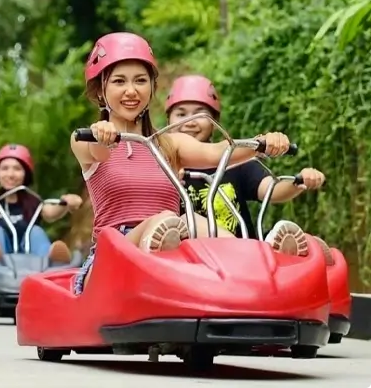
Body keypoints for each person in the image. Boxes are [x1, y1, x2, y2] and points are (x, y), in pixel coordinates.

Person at [71, 33, 299, 295]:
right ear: (101, 90)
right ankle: (160, 240)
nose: (131, 90)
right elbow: (98, 152)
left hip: (173, 239)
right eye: (119, 81)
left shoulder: (169, 144)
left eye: (140, 81)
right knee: (169, 220)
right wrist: (102, 134)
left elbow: (217, 152)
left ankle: (263, 257)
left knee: (194, 222)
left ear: (151, 88)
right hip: (110, 260)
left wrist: (261, 144)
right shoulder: (85, 138)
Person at [164, 74, 324, 252]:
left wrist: (299, 181)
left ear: (215, 122)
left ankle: (290, 248)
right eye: (181, 114)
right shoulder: (160, 165)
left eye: (199, 114)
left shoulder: (233, 159)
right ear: (168, 120)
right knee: (183, 221)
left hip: (244, 257)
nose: (189, 122)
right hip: (189, 258)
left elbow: (271, 190)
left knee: (275, 239)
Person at [0, 143, 81, 265]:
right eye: (4, 169)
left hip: (31, 259)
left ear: (25, 173)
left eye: (17, 169)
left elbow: (50, 213)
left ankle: (52, 262)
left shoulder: (34, 202)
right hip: (2, 261)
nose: (10, 174)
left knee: (36, 231)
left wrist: (66, 204)